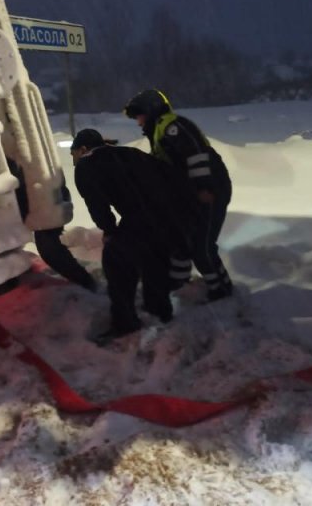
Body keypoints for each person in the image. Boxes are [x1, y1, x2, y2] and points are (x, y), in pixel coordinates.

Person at [71, 128, 195, 343]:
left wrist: (109, 230)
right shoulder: (130, 153)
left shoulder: (86, 164)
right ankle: (160, 312)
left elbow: (97, 203)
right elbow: (168, 173)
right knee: (154, 261)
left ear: (83, 149)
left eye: (73, 154)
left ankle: (125, 322)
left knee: (117, 264)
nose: (73, 160)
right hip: (171, 217)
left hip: (141, 219)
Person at [124, 88, 233, 301]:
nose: (138, 122)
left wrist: (204, 188)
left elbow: (196, 156)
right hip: (193, 194)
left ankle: (221, 288)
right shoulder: (159, 131)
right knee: (182, 239)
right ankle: (178, 281)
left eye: (140, 116)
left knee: (202, 246)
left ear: (151, 109)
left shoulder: (173, 126)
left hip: (210, 191)